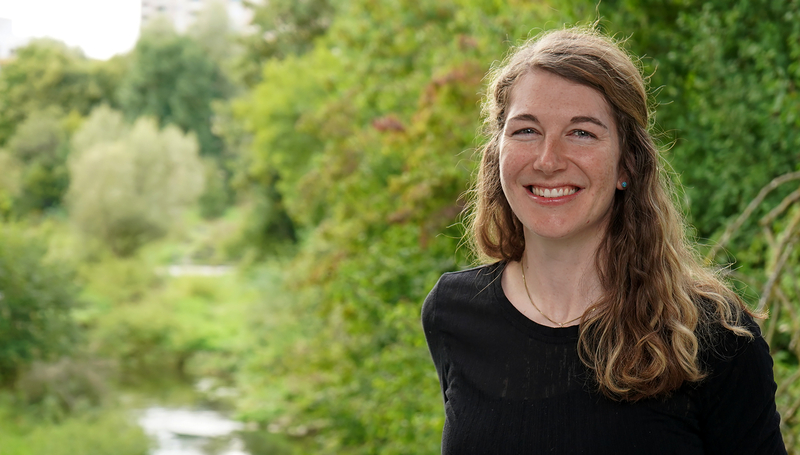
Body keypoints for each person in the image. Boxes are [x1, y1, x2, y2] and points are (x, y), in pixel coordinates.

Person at [421, 27, 787, 454]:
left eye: (581, 133)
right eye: (526, 131)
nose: (548, 160)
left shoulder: (713, 337)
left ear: (627, 164)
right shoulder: (453, 312)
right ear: (497, 152)